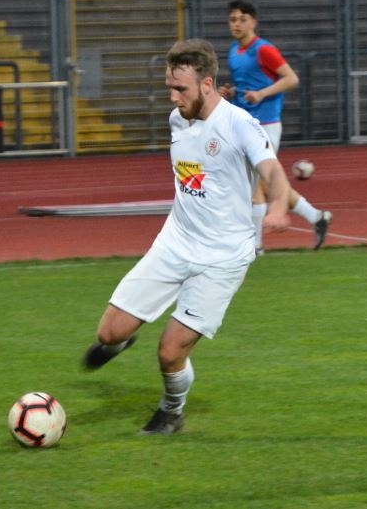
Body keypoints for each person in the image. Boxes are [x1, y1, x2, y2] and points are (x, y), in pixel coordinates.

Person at [81, 38, 292, 435]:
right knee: (108, 333)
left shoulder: (239, 124)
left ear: (206, 84)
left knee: (169, 351)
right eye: (170, 88)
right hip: (175, 243)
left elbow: (273, 172)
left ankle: (171, 411)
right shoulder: (177, 119)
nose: (173, 97)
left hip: (222, 258)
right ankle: (121, 341)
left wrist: (278, 206)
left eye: (181, 89)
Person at [219, 0, 331, 253]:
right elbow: (247, 85)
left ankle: (256, 246)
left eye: (242, 19)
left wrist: (262, 94)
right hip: (245, 124)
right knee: (266, 183)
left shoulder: (264, 49)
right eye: (232, 20)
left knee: (255, 184)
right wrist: (232, 92)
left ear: (253, 22)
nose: (237, 24)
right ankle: (317, 217)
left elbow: (291, 78)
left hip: (266, 125)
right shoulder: (234, 51)